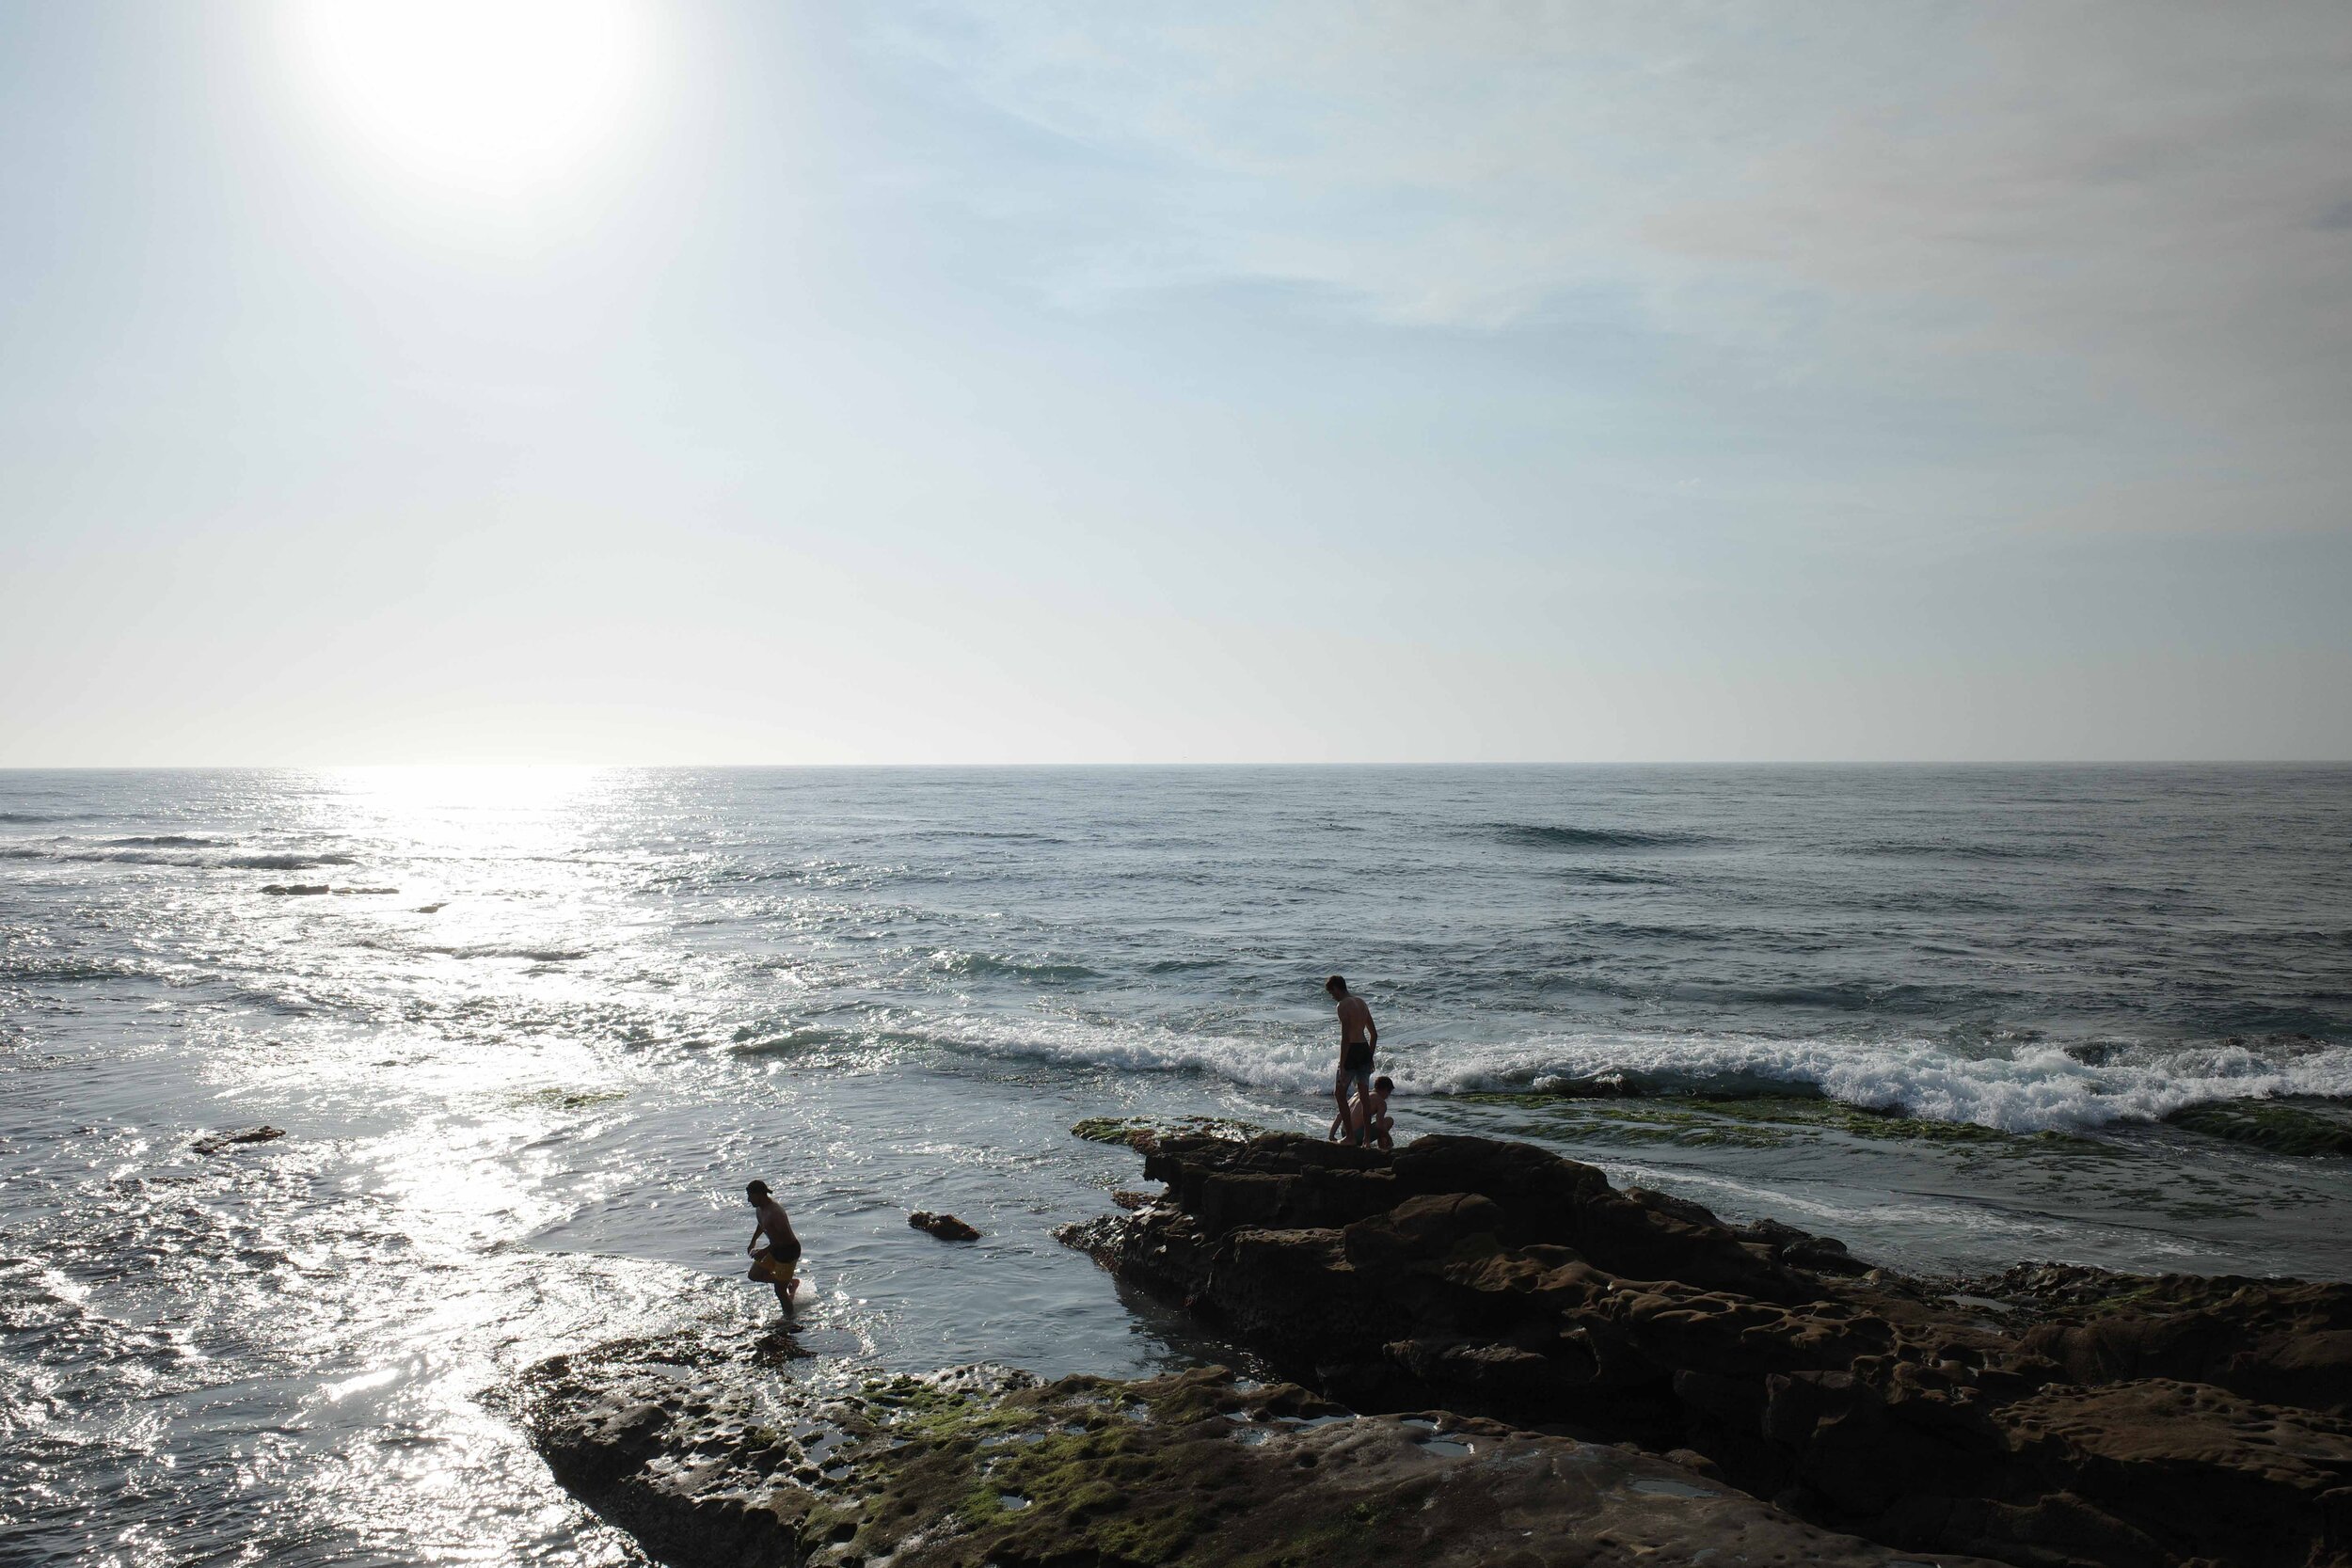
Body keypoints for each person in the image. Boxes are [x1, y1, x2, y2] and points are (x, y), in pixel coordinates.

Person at [1326, 974, 1378, 1147]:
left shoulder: (1342, 1005)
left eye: (1331, 992)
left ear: (1336, 988)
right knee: (1364, 1098)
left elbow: (1346, 1037)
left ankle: (1350, 1137)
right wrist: (1370, 1057)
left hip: (1352, 1052)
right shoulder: (1361, 1002)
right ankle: (1366, 1140)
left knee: (1339, 1094)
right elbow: (1374, 1034)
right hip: (1364, 1050)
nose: (1332, 997)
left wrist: (1342, 1064)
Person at [744, 1179, 801, 1317]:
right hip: (775, 1248)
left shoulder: (776, 1213)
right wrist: (753, 1241)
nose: (748, 1200)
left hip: (788, 1251)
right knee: (754, 1275)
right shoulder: (759, 1209)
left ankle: (790, 1319)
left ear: (759, 1195)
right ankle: (791, 1283)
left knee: (779, 1291)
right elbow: (762, 1225)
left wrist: (763, 1252)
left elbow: (784, 1240)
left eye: (750, 1196)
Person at [1365, 1074, 1396, 1152]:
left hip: (1345, 1133)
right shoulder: (1381, 1102)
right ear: (1385, 1089)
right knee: (1389, 1121)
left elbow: (1340, 1115)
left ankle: (1381, 1146)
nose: (1388, 1096)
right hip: (1357, 1135)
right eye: (1389, 1092)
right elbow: (1379, 1125)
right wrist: (1389, 1138)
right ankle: (1383, 1148)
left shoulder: (1361, 1094)